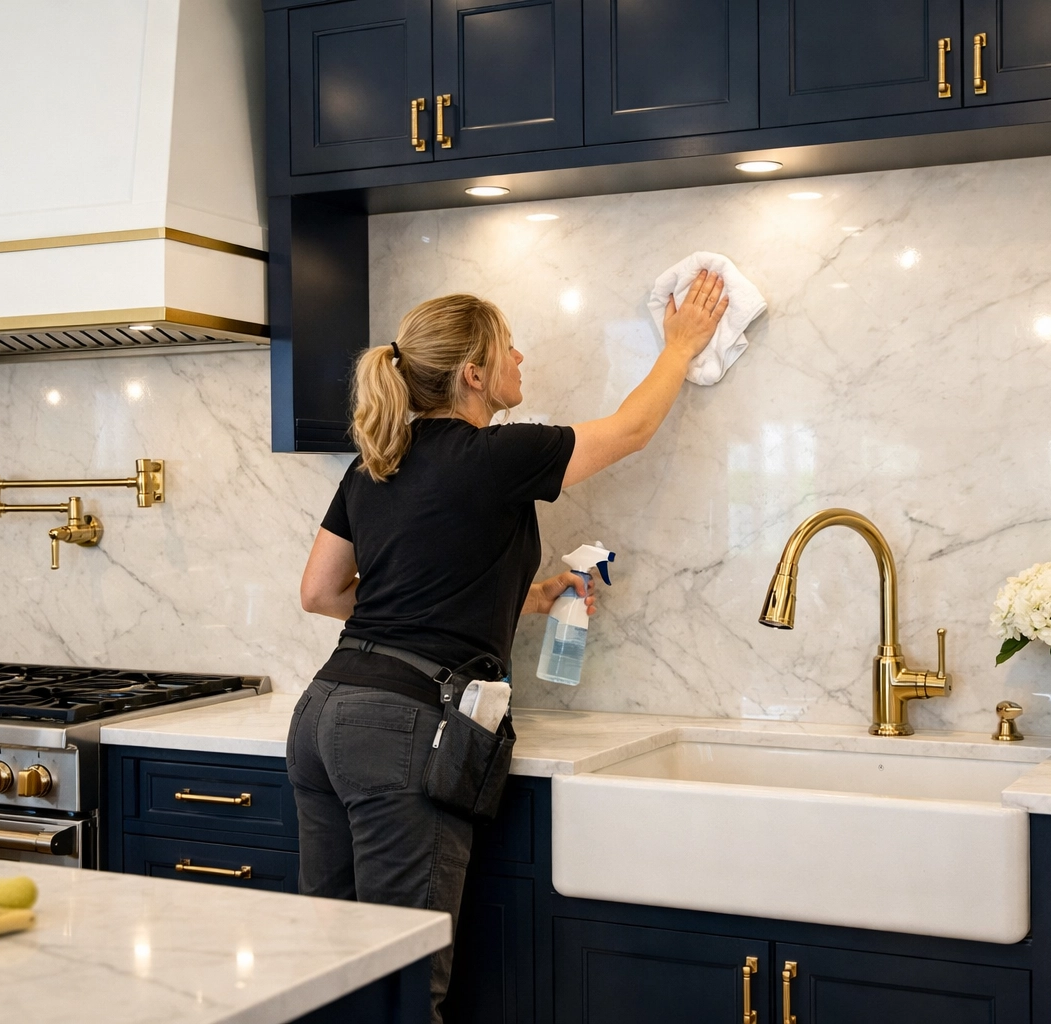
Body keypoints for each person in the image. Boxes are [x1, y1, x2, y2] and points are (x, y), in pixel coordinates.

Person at [290, 271, 728, 1021]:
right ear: (475, 375)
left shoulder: (377, 461)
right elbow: (628, 430)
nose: (523, 358)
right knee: (401, 986)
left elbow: (323, 592)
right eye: (509, 349)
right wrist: (682, 345)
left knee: (334, 972)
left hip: (324, 715)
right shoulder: (490, 456)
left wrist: (520, 597)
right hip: (403, 730)